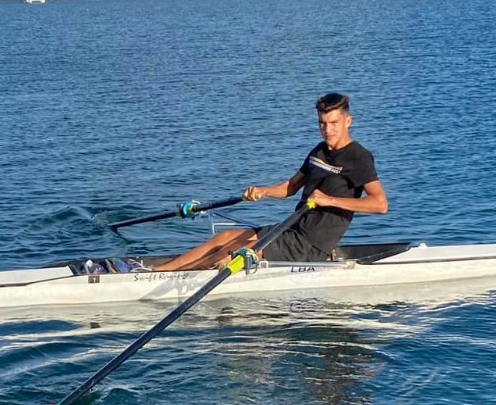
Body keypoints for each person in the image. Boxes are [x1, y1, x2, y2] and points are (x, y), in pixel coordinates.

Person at [154, 92, 387, 271]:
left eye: (334, 123)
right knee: (224, 237)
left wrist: (330, 200)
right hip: (290, 228)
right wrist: (263, 192)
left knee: (234, 251)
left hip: (311, 244)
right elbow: (291, 187)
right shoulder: (319, 152)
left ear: (348, 121)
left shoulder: (359, 157)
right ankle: (159, 271)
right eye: (322, 123)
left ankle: (179, 277)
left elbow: (379, 204)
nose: (327, 130)